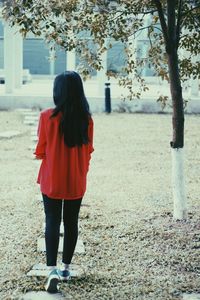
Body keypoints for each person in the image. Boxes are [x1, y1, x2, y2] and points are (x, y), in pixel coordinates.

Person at [34, 71, 94, 293]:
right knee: (71, 222)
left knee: (52, 220)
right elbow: (88, 151)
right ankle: (66, 268)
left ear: (57, 92)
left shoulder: (46, 116)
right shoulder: (87, 119)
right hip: (75, 180)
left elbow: (40, 150)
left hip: (52, 179)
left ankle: (51, 270)